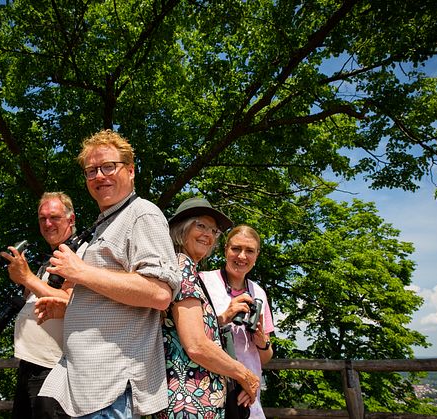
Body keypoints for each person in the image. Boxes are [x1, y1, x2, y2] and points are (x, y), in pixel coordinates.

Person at [36, 129, 180, 418]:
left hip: (111, 387)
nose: (99, 176)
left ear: (130, 170)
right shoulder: (107, 221)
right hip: (88, 385)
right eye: (91, 171)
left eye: (108, 167)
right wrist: (69, 306)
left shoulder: (143, 214)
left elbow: (160, 293)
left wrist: (81, 271)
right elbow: (111, 295)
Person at [156, 197, 260, 418]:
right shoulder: (182, 267)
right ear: (180, 228)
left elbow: (185, 329)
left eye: (213, 230)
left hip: (193, 399)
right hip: (189, 402)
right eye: (200, 225)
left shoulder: (186, 269)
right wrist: (245, 375)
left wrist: (221, 319)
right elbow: (196, 345)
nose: (208, 234)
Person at [0, 192, 80, 419]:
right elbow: (37, 296)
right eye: (42, 218)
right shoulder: (50, 259)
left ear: (71, 220)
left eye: (54, 217)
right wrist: (23, 276)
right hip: (30, 363)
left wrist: (27, 278)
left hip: (54, 367)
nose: (47, 223)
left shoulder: (78, 253)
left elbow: (69, 301)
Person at [200, 225, 276, 419]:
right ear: (225, 249)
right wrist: (224, 317)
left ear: (257, 255)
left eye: (249, 250)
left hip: (247, 394)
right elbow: (191, 338)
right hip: (209, 387)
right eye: (236, 249)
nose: (242, 256)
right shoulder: (203, 282)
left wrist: (262, 341)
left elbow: (265, 357)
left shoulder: (258, 293)